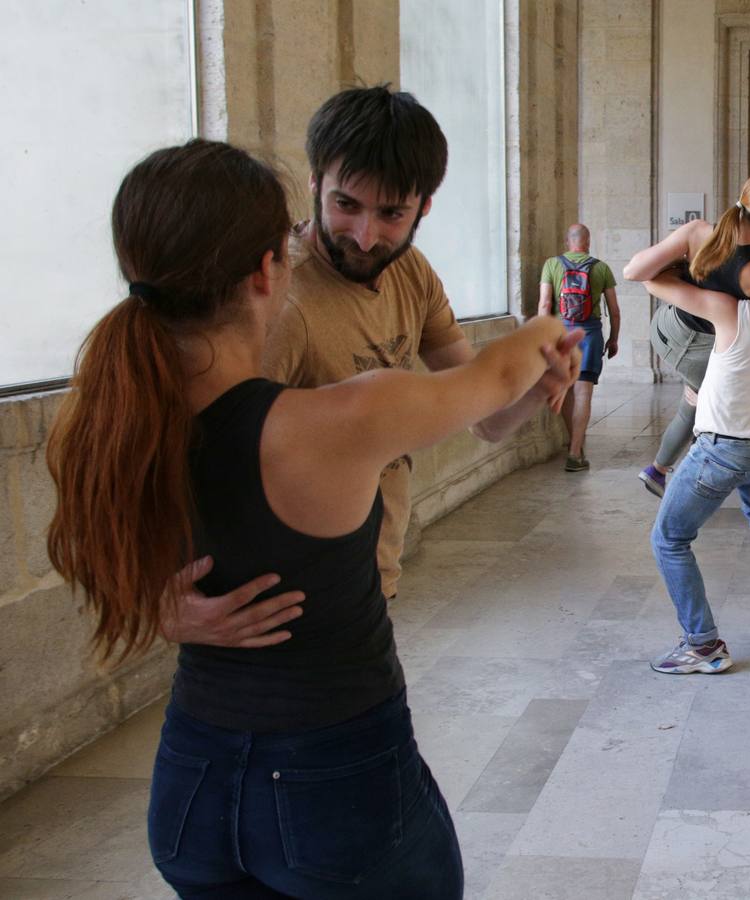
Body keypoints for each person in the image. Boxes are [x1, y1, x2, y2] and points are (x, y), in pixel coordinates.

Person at [45, 140, 569, 898]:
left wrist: (156, 606)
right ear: (268, 268)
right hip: (333, 785)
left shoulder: (106, 417)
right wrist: (546, 329)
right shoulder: (335, 421)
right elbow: (489, 378)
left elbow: (91, 549)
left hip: (191, 783)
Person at [162, 86, 581, 649]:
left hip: (371, 584)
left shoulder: (413, 274)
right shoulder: (277, 299)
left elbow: (485, 421)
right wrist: (158, 606)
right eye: (345, 205)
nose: (365, 236)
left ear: (423, 207)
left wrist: (538, 388)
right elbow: (183, 452)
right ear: (314, 185)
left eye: (391, 213)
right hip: (289, 611)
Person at [623, 168, 750, 675]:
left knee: (669, 539)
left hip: (723, 446)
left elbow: (640, 275)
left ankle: (703, 644)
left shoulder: (724, 309)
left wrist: (683, 262)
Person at [635, 238, 750, 498]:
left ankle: (660, 470)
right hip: (686, 341)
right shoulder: (749, 304)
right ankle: (686, 478)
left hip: (678, 332)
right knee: (707, 417)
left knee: (695, 409)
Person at [538, 224, 620, 471]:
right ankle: (575, 452)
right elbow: (614, 311)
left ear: (567, 241)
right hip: (590, 334)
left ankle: (575, 444)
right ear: (588, 242)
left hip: (561, 334)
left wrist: (542, 339)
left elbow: (544, 305)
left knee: (565, 390)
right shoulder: (601, 267)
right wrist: (613, 339)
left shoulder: (552, 264)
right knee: (584, 393)